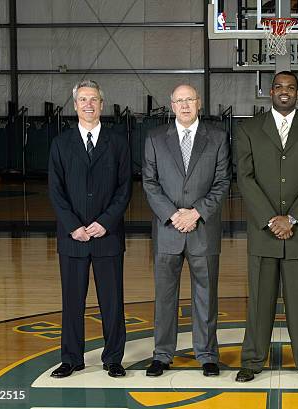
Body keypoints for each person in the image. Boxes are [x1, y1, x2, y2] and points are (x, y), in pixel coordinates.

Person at [234, 71, 298, 382]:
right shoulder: (248, 129)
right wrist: (271, 219)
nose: (285, 92)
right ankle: (251, 361)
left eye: (291, 87)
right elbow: (244, 178)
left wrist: (292, 218)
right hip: (264, 231)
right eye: (279, 87)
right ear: (269, 91)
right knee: (259, 300)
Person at [142, 84, 231, 377]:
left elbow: (222, 182)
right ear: (171, 104)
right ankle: (162, 354)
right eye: (179, 100)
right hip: (168, 231)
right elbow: (150, 183)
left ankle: (206, 354)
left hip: (202, 230)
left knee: (206, 296)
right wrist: (172, 215)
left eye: (189, 100)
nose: (184, 105)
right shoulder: (155, 139)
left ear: (199, 103)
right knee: (164, 296)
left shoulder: (217, 138)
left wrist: (196, 213)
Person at [48, 79, 132, 378]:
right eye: (82, 99)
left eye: (93, 99)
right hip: (73, 238)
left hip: (107, 236)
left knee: (112, 301)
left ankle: (113, 358)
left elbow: (124, 189)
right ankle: (71, 358)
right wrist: (74, 227)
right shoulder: (61, 143)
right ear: (74, 105)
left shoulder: (118, 142)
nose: (88, 104)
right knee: (72, 302)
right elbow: (55, 191)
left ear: (101, 103)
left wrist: (104, 223)